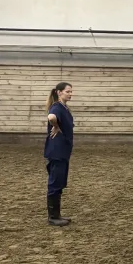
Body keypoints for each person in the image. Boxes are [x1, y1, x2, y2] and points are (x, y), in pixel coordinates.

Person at [45, 81, 75, 227]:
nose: (70, 94)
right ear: (59, 92)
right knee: (55, 182)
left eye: (71, 91)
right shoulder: (57, 107)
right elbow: (51, 117)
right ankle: (53, 217)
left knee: (59, 181)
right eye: (67, 91)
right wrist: (56, 126)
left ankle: (57, 215)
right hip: (57, 151)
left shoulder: (64, 108)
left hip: (63, 151)